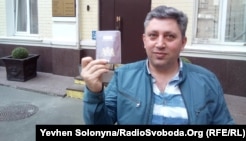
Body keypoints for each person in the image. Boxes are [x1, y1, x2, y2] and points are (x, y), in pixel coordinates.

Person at [81, 5, 234, 125]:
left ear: (183, 42)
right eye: (153, 35)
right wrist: (94, 93)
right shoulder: (123, 77)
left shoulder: (207, 81)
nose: (160, 44)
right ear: (144, 40)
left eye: (170, 36)